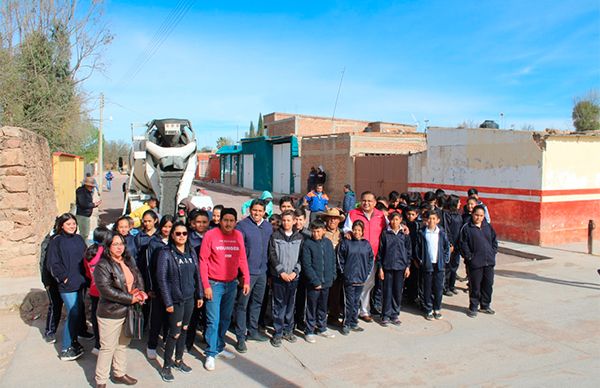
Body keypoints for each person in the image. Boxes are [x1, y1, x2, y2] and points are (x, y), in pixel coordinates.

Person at [200, 208, 250, 371]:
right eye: (225, 220)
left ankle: (220, 347)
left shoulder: (238, 236)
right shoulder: (210, 235)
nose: (228, 223)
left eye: (231, 220)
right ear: (220, 221)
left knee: (225, 319)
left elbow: (242, 258)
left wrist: (246, 279)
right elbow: (203, 261)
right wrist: (206, 285)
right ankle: (210, 353)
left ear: (235, 222)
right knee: (213, 321)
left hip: (231, 284)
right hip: (214, 284)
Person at [94, 231, 146, 388]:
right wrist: (130, 298)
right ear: (108, 246)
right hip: (111, 311)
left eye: (121, 244)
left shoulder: (128, 261)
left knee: (123, 344)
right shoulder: (103, 265)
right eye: (115, 244)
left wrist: (140, 292)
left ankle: (119, 373)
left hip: (129, 310)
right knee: (108, 347)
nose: (119, 247)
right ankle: (101, 380)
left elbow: (138, 278)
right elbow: (106, 290)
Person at [156, 222, 204, 382]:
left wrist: (200, 295)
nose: (181, 236)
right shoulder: (166, 253)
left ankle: (179, 359)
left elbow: (197, 274)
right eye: (178, 233)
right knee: (174, 333)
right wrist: (168, 302)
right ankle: (166, 366)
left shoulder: (191, 252)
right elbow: (161, 279)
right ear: (172, 235)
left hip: (190, 298)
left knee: (184, 329)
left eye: (184, 233)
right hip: (175, 300)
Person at [46, 213, 89, 361]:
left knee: (78, 312)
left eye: (73, 224)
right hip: (67, 284)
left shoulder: (78, 239)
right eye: (68, 224)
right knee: (74, 312)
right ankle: (66, 348)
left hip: (80, 282)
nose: (72, 226)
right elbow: (52, 263)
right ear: (61, 225)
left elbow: (86, 257)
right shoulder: (56, 241)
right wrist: (63, 278)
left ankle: (74, 342)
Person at [234, 199, 273, 353]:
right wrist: (240, 275)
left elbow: (270, 251)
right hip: (247, 273)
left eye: (260, 211)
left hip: (262, 272)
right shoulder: (242, 226)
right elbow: (238, 252)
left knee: (257, 303)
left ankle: (253, 330)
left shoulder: (268, 227)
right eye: (254, 210)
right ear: (250, 210)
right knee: (242, 305)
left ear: (264, 212)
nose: (257, 213)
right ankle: (240, 337)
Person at [343, 191, 388, 323]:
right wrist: (348, 233)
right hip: (356, 257)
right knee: (356, 284)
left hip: (373, 255)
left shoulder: (380, 216)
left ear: (375, 203)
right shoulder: (353, 213)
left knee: (369, 283)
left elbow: (389, 228)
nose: (366, 203)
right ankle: (353, 311)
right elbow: (346, 229)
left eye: (369, 201)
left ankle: (364, 310)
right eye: (364, 200)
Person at [268, 210, 303, 347]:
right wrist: (281, 272)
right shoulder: (275, 236)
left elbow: (301, 257)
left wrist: (295, 272)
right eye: (284, 220)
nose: (286, 223)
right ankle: (278, 332)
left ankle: (288, 330)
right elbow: (272, 255)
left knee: (290, 305)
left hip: (293, 277)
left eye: (289, 220)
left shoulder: (299, 237)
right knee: (278, 305)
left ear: (294, 221)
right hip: (279, 277)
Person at [301, 220, 337, 343]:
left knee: (323, 306)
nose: (316, 234)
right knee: (311, 306)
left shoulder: (327, 243)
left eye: (318, 231)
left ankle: (322, 327)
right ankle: (309, 330)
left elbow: (332, 260)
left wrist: (332, 275)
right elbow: (307, 265)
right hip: (314, 283)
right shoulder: (308, 244)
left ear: (323, 231)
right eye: (314, 231)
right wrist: (315, 281)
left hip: (327, 281)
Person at [460, 205, 498, 318]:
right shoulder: (467, 228)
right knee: (475, 286)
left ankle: (485, 305)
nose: (479, 218)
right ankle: (473, 307)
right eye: (477, 215)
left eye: (481, 216)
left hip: (489, 262)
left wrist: (493, 252)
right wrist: (469, 257)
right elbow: (463, 244)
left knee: (488, 284)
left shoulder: (488, 227)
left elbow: (494, 240)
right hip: (475, 263)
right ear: (472, 214)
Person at [145, 215, 174, 360]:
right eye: (165, 226)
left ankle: (166, 343)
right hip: (158, 287)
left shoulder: (177, 241)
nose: (167, 230)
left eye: (170, 227)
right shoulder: (154, 243)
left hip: (173, 289)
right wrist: (150, 287)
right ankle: (151, 345)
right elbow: (149, 266)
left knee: (171, 319)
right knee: (156, 318)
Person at [337, 220, 373, 335]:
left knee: (356, 302)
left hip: (361, 278)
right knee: (349, 302)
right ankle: (346, 323)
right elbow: (340, 258)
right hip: (349, 278)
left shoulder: (366, 244)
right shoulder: (346, 243)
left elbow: (370, 259)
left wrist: (366, 273)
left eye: (359, 230)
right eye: (355, 230)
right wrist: (344, 272)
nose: (357, 232)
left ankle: (354, 322)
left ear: (363, 231)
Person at [377, 212, 412, 326]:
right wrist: (381, 268)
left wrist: (407, 266)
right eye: (392, 220)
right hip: (387, 267)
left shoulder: (404, 234)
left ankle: (394, 314)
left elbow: (408, 251)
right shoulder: (385, 234)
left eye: (397, 219)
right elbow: (380, 252)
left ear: (400, 220)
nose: (394, 222)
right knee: (387, 291)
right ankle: (385, 315)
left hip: (401, 267)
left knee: (397, 291)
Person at [416, 209, 451, 321]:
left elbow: (446, 248)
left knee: (438, 287)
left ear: (438, 220)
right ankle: (428, 309)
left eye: (434, 219)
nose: (431, 221)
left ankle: (437, 308)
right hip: (427, 264)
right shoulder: (422, 232)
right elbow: (418, 248)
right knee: (427, 287)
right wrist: (420, 260)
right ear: (426, 220)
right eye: (429, 218)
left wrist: (445, 259)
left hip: (439, 264)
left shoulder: (441, 232)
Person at [185, 209, 210, 352]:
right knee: (192, 314)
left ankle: (208, 340)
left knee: (209, 314)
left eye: (204, 222)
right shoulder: (188, 239)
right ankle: (188, 342)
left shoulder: (212, 236)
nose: (201, 225)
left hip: (209, 281)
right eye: (198, 222)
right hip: (194, 282)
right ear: (192, 224)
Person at [84, 226, 111, 355]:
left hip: (94, 290)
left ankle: (97, 345)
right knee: (106, 319)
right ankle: (105, 344)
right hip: (106, 291)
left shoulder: (89, 252)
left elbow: (87, 274)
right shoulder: (106, 253)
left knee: (95, 316)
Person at [320, 208, 345, 327]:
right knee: (322, 295)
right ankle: (319, 318)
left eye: (335, 219)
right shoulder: (321, 232)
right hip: (323, 267)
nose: (332, 221)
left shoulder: (342, 234)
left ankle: (333, 317)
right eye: (330, 218)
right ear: (326, 219)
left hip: (337, 268)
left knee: (335, 293)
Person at [40, 217, 61, 344]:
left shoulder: (70, 239)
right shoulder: (49, 242)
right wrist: (47, 281)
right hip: (52, 280)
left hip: (68, 280)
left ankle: (81, 330)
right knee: (55, 305)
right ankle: (50, 331)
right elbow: (44, 264)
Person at [442, 195, 464, 296]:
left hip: (458, 244)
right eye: (458, 202)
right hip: (450, 245)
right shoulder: (446, 214)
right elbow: (447, 230)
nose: (460, 204)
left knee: (454, 266)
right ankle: (445, 287)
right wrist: (449, 243)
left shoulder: (458, 215)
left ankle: (452, 285)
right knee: (448, 267)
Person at [404, 206, 422, 305]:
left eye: (413, 214)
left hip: (414, 255)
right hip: (404, 254)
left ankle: (413, 297)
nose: (410, 216)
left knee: (414, 277)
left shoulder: (418, 226)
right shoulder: (403, 225)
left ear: (417, 215)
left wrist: (416, 258)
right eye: (409, 214)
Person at [76, 177, 101, 242]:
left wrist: (94, 205)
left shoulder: (87, 192)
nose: (92, 188)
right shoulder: (81, 191)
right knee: (84, 234)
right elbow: (83, 204)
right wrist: (94, 204)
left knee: (85, 234)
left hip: (85, 215)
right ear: (87, 185)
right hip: (82, 215)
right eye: (91, 186)